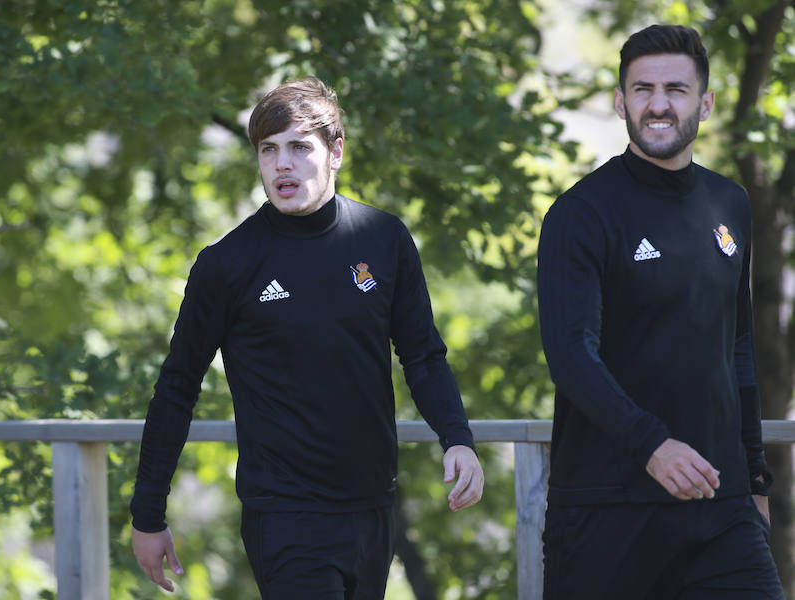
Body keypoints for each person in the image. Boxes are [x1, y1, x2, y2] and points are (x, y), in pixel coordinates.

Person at [130, 76, 484, 598]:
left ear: (335, 151)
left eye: (299, 147)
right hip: (285, 516)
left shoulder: (383, 240)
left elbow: (425, 358)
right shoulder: (227, 264)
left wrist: (457, 438)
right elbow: (176, 388)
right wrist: (148, 514)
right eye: (268, 150)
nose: (281, 164)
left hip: (372, 507)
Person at [537, 24, 783, 599]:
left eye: (676, 89)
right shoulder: (581, 213)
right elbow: (571, 355)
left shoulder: (731, 204)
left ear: (705, 101)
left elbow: (739, 349)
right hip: (607, 510)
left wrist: (755, 479)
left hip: (720, 508)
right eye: (642, 89)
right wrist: (651, 444)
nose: (658, 104)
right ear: (620, 101)